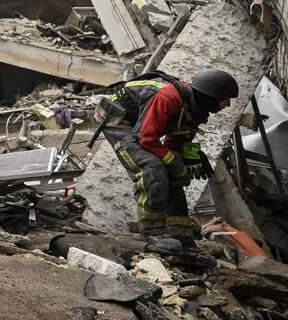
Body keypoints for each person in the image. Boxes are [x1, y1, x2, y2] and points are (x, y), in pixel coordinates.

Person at [96, 68, 238, 254]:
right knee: (152, 168)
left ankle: (180, 233)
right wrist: (174, 163)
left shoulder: (194, 109)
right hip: (118, 119)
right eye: (225, 98)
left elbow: (176, 141)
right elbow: (146, 137)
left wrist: (184, 159)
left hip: (141, 125)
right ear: (210, 95)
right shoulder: (167, 97)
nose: (226, 105)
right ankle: (152, 230)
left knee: (173, 173)